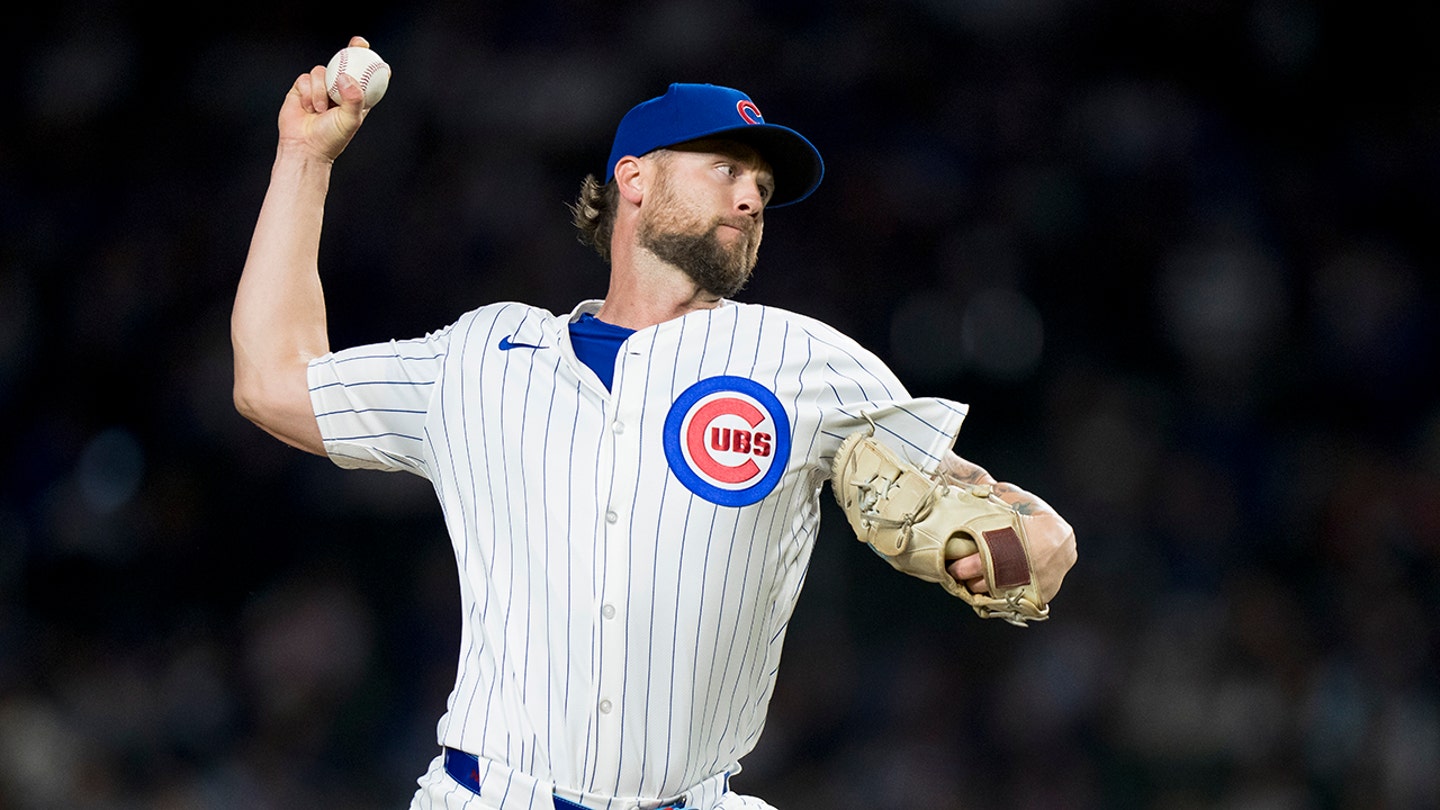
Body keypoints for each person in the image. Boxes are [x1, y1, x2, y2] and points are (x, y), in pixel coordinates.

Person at [232, 35, 1078, 810]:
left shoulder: (804, 359)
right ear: (634, 178)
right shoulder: (484, 355)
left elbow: (1023, 532)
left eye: (764, 188)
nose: (751, 198)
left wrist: (1016, 549)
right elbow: (272, 380)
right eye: (725, 168)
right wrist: (304, 158)